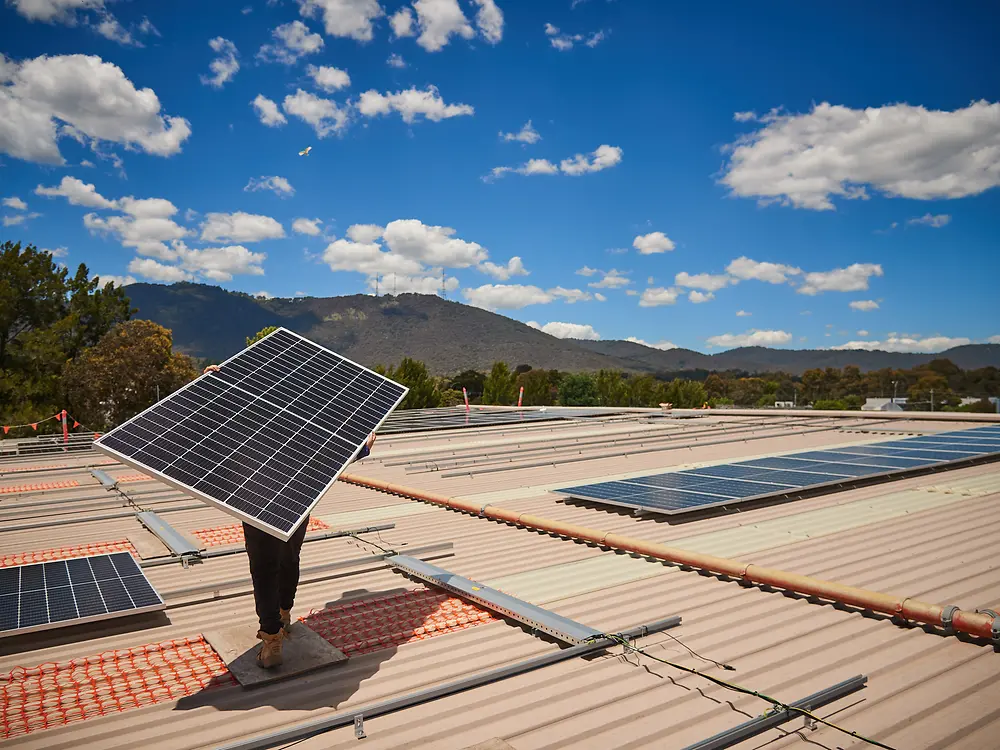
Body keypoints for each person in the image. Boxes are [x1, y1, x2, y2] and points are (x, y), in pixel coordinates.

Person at [203, 364, 378, 668]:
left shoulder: (254, 419)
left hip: (255, 497)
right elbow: (344, 448)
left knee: (264, 568)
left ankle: (272, 640)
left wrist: (214, 384)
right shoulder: (308, 422)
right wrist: (364, 443)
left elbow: (222, 423)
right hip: (297, 499)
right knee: (289, 558)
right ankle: (284, 615)